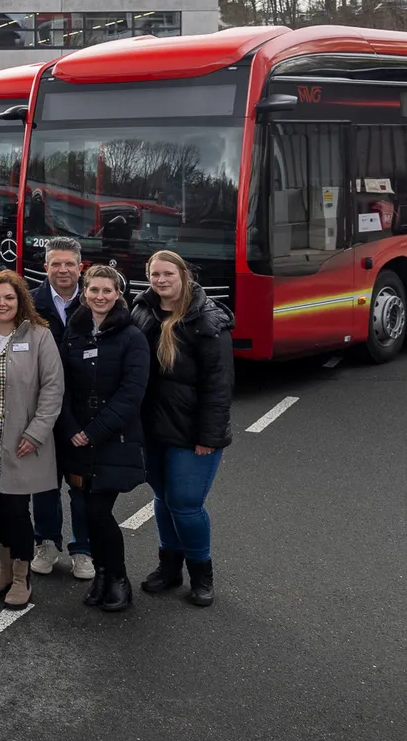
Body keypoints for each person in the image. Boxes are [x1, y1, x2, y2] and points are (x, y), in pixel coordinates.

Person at [130, 250, 233, 608]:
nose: (160, 280)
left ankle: (202, 576)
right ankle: (169, 570)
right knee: (162, 498)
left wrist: (209, 436)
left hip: (192, 433)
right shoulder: (142, 310)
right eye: (154, 274)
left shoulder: (207, 319)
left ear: (184, 275)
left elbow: (219, 386)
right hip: (152, 429)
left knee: (186, 504)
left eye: (167, 273)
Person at [0, 270, 63, 610]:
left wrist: (36, 433)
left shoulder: (38, 336)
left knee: (17, 511)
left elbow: (53, 388)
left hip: (19, 441)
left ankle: (21, 578)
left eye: (9, 297)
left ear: (21, 301)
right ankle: (3, 571)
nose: (2, 303)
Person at [57, 265, 149, 613]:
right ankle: (102, 575)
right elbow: (61, 385)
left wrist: (93, 433)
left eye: (107, 291)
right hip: (76, 436)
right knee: (84, 508)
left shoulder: (132, 336)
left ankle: (119, 580)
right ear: (84, 293)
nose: (100, 297)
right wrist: (70, 428)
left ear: (118, 294)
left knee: (98, 512)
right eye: (93, 290)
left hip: (113, 438)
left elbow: (132, 393)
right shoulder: (74, 332)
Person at [30, 236, 92, 580]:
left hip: (84, 412)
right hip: (43, 410)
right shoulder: (31, 303)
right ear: (46, 267)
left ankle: (83, 549)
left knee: (81, 485)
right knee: (44, 484)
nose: (63, 270)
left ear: (80, 266)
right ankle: (47, 542)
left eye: (69, 263)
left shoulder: (98, 299)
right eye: (56, 263)